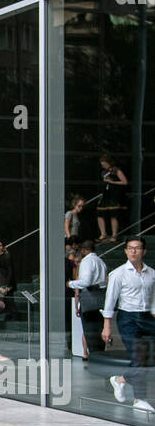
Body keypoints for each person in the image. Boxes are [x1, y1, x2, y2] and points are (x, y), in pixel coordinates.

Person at [101, 238, 155, 413]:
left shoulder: (152, 273)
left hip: (147, 317)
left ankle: (120, 379)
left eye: (137, 248)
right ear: (125, 251)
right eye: (130, 248)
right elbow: (110, 300)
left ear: (143, 252)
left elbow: (153, 298)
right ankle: (139, 399)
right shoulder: (119, 273)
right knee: (139, 357)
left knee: (148, 358)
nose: (133, 251)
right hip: (128, 318)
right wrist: (106, 326)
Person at [67, 240, 108, 360]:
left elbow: (86, 282)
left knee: (89, 330)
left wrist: (71, 284)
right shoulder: (101, 261)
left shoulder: (87, 261)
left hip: (89, 298)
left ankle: (95, 356)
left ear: (84, 250)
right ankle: (100, 354)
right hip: (100, 296)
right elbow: (105, 281)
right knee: (99, 329)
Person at [97, 155, 129, 241]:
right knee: (100, 213)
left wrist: (113, 182)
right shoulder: (104, 172)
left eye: (104, 164)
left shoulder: (116, 170)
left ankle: (114, 235)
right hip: (106, 194)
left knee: (113, 215)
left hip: (114, 194)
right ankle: (103, 234)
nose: (103, 166)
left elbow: (124, 182)